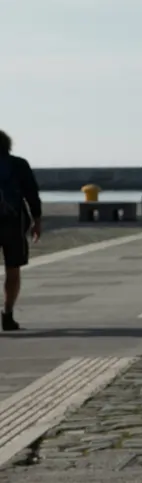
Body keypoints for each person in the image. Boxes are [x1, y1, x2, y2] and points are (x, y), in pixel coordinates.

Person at [0, 131, 42, 332]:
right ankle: (7, 314)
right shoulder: (19, 165)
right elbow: (31, 193)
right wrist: (37, 220)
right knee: (13, 270)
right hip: (13, 224)